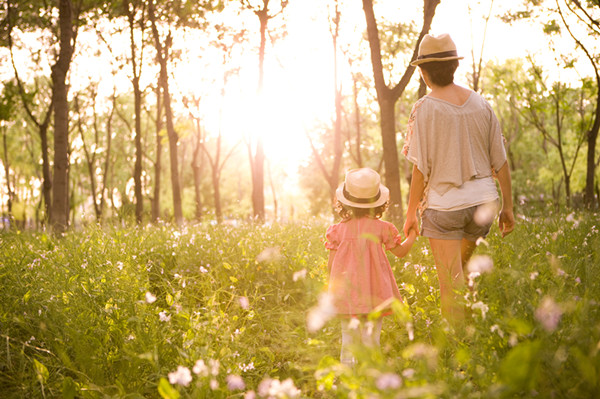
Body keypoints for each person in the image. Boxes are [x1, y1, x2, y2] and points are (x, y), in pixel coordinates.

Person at [402, 33, 515, 326]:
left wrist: (411, 210)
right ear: (454, 67)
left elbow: (420, 169)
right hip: (482, 205)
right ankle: (475, 338)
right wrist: (507, 207)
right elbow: (500, 161)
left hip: (446, 207)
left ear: (424, 73)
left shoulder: (424, 108)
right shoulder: (481, 104)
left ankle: (458, 355)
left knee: (449, 284)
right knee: (464, 275)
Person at [325, 168, 417, 366]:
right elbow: (400, 252)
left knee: (348, 341)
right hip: (375, 294)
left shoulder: (338, 231)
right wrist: (413, 236)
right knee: (372, 340)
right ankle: (372, 381)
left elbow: (331, 266)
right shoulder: (383, 228)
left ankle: (349, 384)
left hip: (347, 295)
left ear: (345, 201)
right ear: (378, 203)